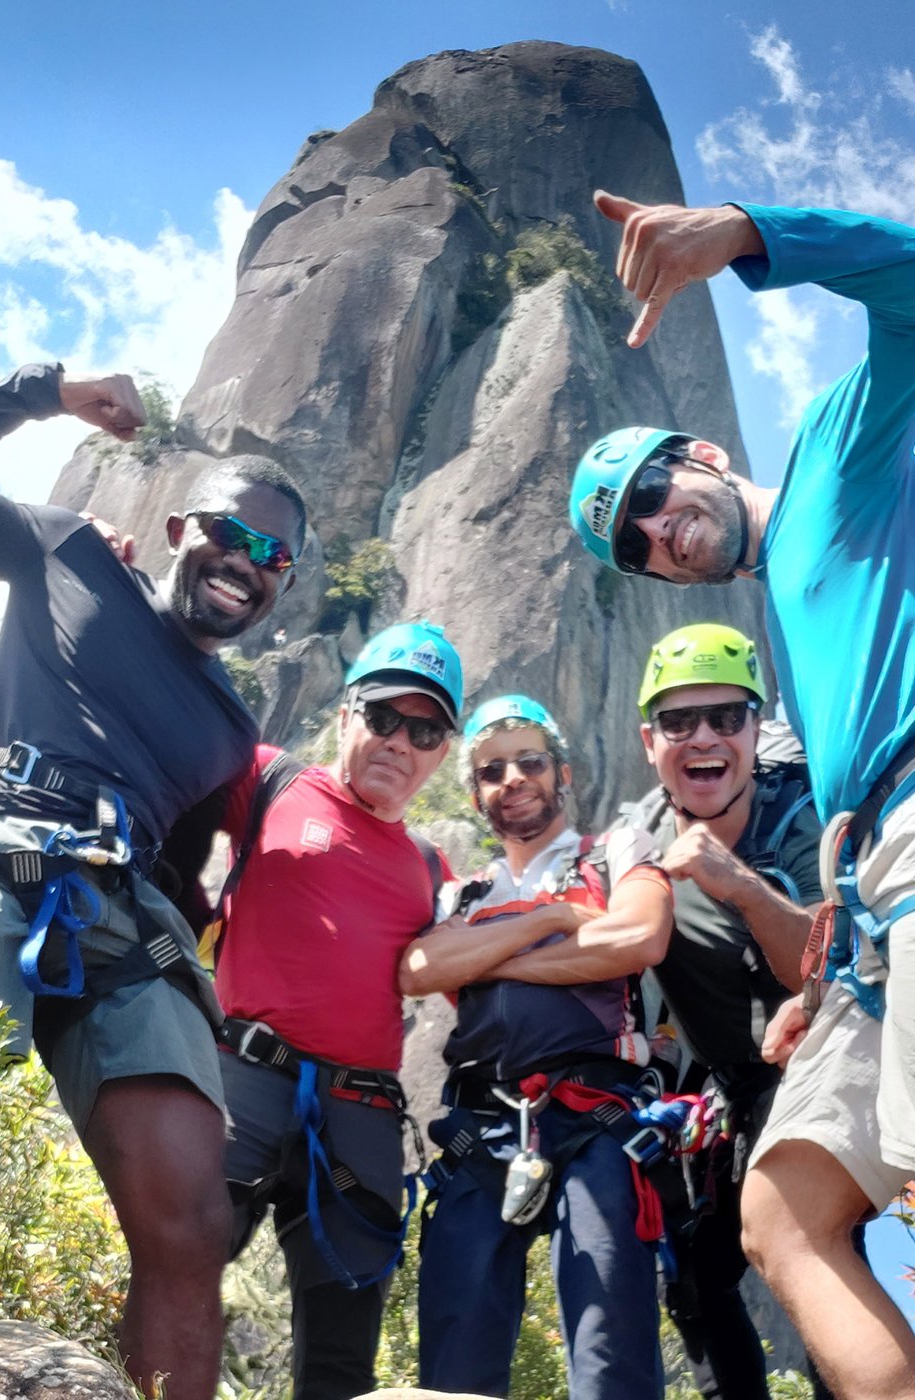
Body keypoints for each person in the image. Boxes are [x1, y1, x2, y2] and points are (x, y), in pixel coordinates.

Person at [569, 193, 915, 1399]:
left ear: (705, 455)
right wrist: (824, 967)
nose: (661, 535)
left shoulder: (836, 445)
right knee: (780, 1211)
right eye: (637, 545)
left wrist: (748, 234)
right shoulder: (795, 626)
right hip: (865, 912)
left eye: (656, 500)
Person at [0, 363, 307, 1400]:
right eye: (229, 531)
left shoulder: (231, 731)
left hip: (116, 898)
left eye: (272, 556)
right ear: (180, 526)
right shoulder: (69, 553)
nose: (244, 561)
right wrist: (46, 391)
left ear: (285, 586)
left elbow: (185, 872)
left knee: (194, 1211)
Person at [198, 621, 461, 1400]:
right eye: (382, 717)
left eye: (424, 730)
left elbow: (478, 981)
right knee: (175, 1279)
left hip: (360, 1115)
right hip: (244, 1079)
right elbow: (166, 740)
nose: (399, 743)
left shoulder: (430, 868)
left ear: (442, 750)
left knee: (343, 1364)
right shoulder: (269, 781)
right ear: (347, 716)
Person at [403, 694, 673, 1400]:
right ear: (476, 793)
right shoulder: (459, 895)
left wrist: (483, 956)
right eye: (493, 770)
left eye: (530, 761)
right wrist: (553, 920)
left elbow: (637, 938)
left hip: (596, 1119)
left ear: (564, 774)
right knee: (455, 1356)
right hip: (479, 1128)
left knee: (610, 1346)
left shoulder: (616, 855)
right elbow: (417, 970)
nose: (513, 778)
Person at [621, 621, 831, 1400]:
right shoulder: (635, 841)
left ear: (754, 728)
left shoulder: (798, 817)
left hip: (818, 1070)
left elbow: (828, 959)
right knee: (699, 1277)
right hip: (723, 1094)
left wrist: (736, 881)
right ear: (651, 742)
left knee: (811, 1262)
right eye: (680, 721)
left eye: (725, 717)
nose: (703, 737)